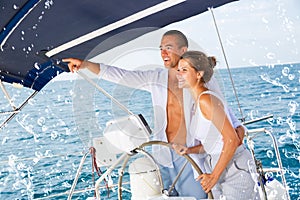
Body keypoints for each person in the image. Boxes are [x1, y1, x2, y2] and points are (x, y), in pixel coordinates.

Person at [63, 30, 245, 198]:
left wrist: (237, 131)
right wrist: (86, 65)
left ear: (183, 49)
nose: (163, 53)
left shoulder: (203, 82)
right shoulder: (155, 77)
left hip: (190, 157)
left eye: (168, 48)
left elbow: (226, 117)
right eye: (161, 48)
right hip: (162, 157)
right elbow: (120, 75)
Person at [175, 50, 259, 199]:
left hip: (234, 167)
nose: (179, 74)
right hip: (217, 164)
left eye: (184, 70)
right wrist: (189, 150)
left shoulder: (206, 100)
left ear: (199, 74)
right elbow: (213, 143)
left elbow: (232, 140)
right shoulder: (198, 103)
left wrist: (213, 177)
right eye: (178, 70)